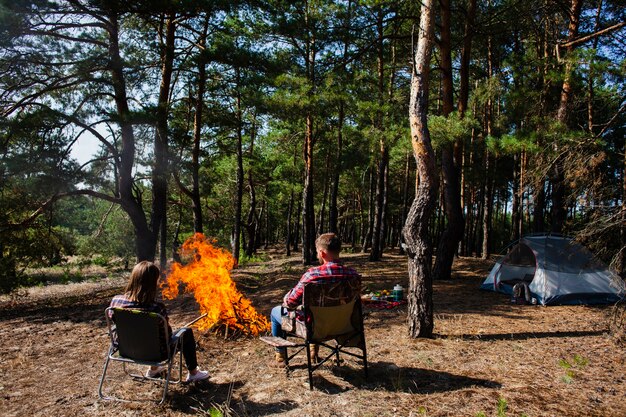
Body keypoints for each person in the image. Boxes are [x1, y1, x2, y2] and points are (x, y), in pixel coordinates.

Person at [269, 233, 360, 367]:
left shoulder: (312, 275)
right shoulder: (353, 275)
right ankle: (313, 351)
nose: (317, 255)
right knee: (316, 313)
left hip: (315, 329)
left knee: (275, 311)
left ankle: (280, 357)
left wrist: (286, 298)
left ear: (322, 253)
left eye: (317, 252)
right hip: (344, 325)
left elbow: (291, 303)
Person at [109, 261, 210, 382]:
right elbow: (167, 333)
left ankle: (154, 369)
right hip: (157, 354)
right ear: (152, 283)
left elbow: (114, 322)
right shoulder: (156, 308)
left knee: (145, 336)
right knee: (186, 332)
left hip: (125, 350)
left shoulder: (116, 301)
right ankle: (193, 373)